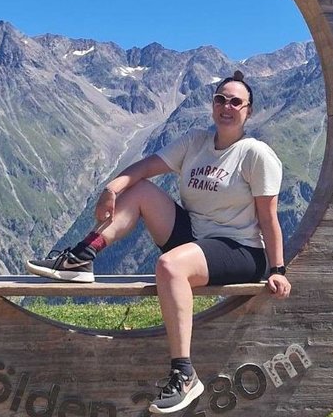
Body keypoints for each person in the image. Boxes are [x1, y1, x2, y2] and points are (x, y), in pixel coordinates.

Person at [27, 71, 292, 414]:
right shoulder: (195, 142)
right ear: (213, 104)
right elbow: (146, 167)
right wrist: (112, 187)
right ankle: (83, 256)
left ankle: (184, 374)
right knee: (138, 190)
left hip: (240, 249)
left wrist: (278, 269)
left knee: (169, 266)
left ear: (249, 112)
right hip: (196, 237)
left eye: (236, 102)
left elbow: (269, 219)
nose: (227, 107)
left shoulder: (256, 154)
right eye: (220, 99)